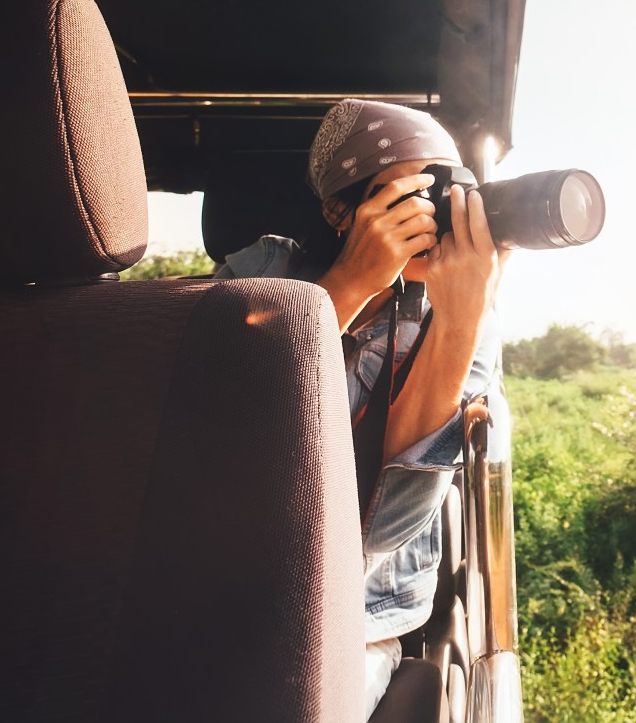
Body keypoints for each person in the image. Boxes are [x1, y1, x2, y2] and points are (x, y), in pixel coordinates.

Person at [214, 99, 508, 719]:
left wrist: (459, 320)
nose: (439, 214)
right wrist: (349, 285)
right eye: (415, 195)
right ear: (338, 212)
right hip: (217, 577)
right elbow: (218, 420)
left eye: (455, 192)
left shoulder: (463, 315)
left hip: (354, 619)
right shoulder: (265, 271)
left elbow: (380, 529)